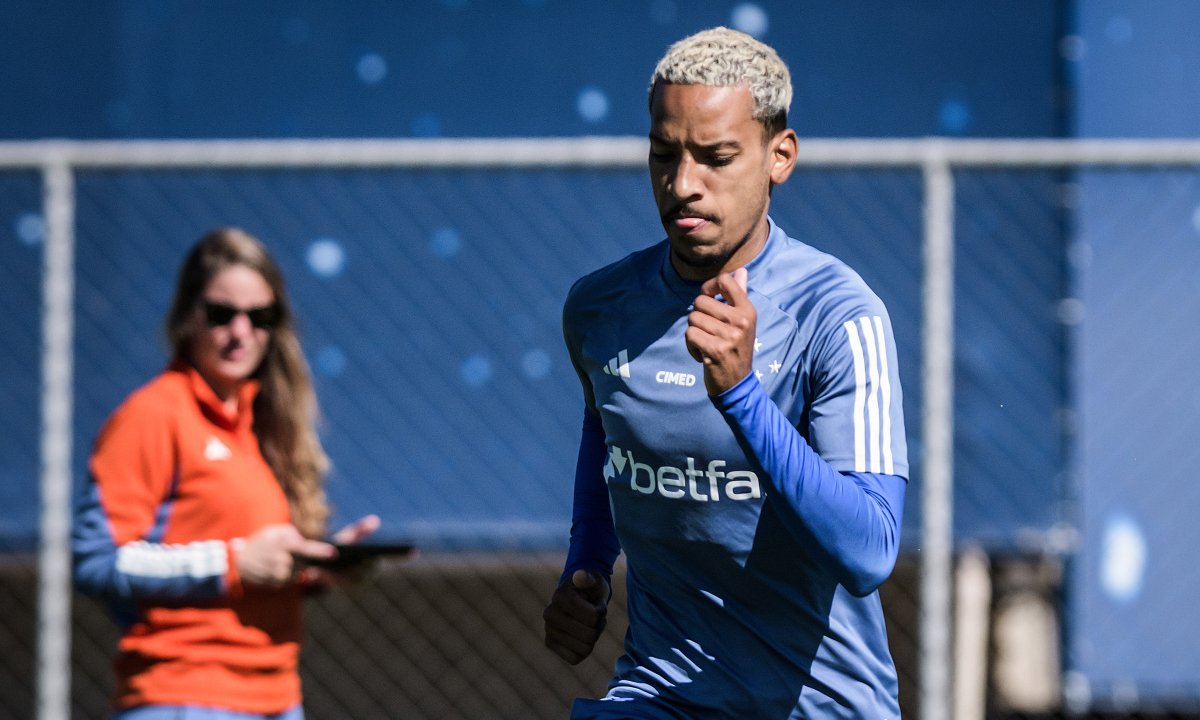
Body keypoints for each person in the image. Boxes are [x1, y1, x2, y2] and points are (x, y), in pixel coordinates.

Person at [542, 27, 909, 719]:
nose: (683, 185)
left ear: (780, 156)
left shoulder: (838, 315)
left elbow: (868, 550)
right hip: (660, 697)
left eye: (715, 158)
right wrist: (588, 565)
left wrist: (742, 395)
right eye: (664, 156)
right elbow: (609, 433)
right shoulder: (600, 308)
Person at [74, 227, 380, 719]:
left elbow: (251, 568)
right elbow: (96, 562)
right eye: (222, 314)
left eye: (261, 317)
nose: (241, 332)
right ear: (187, 315)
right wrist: (232, 563)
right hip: (183, 695)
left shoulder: (263, 425)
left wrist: (314, 569)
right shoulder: (153, 414)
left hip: (276, 699)